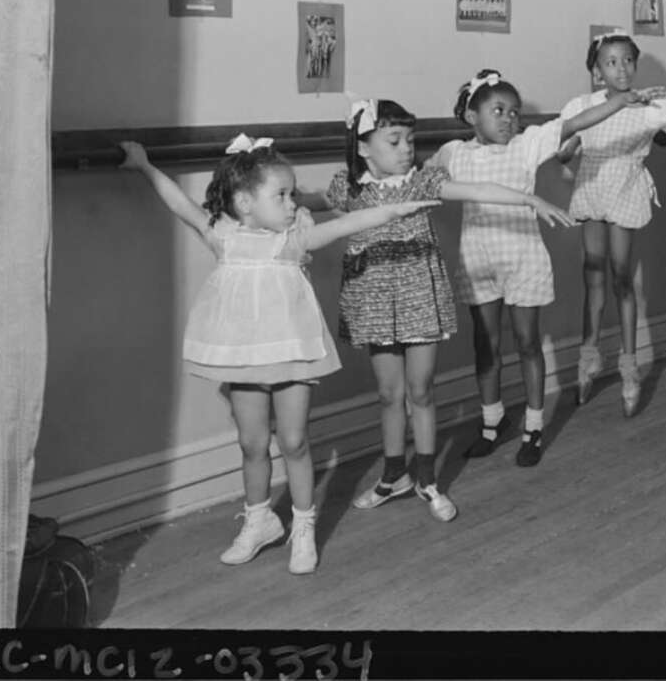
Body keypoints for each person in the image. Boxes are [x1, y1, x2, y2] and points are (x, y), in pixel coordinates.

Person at [118, 134, 436, 574]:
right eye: (281, 195)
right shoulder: (222, 236)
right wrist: (145, 163)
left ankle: (303, 527)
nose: (292, 203)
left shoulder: (293, 240)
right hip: (244, 356)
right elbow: (180, 205)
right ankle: (260, 521)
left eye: (293, 194)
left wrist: (394, 210)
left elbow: (345, 225)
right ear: (245, 203)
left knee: (293, 441)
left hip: (291, 354)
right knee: (251, 444)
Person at [324, 98, 573, 520]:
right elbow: (314, 211)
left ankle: (427, 479)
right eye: (395, 140)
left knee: (420, 391)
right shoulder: (349, 189)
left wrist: (530, 200)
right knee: (390, 394)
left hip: (420, 299)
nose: (407, 149)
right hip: (374, 304)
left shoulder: (421, 183)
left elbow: (477, 190)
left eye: (410, 139)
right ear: (364, 147)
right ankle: (392, 476)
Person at [429, 69, 666, 465]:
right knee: (485, 345)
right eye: (498, 110)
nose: (509, 118)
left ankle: (534, 428)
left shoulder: (527, 145)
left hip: (523, 260)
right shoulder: (453, 153)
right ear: (472, 117)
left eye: (515, 112)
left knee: (527, 342)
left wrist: (619, 102)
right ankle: (492, 422)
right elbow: (416, 182)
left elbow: (573, 123)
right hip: (478, 261)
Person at [559, 31, 666, 417]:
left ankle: (629, 365)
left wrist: (663, 113)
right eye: (611, 62)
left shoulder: (647, 106)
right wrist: (568, 150)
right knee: (592, 274)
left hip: (625, 191)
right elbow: (565, 150)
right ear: (597, 72)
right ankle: (589, 356)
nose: (621, 68)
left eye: (628, 60)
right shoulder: (582, 105)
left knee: (621, 277)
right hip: (592, 188)